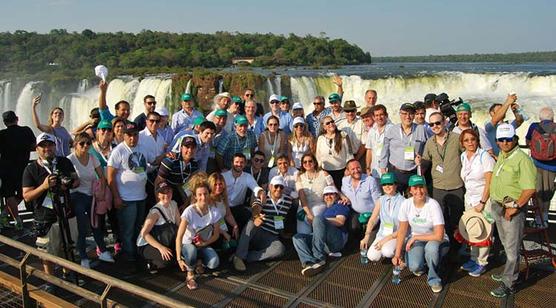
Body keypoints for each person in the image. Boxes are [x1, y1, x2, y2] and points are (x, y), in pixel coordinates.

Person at [488, 123, 536, 298]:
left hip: (511, 209)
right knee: (506, 243)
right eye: (501, 140)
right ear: (497, 141)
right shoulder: (503, 154)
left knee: (511, 248)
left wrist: (514, 207)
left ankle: (509, 284)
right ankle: (508, 273)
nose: (505, 142)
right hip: (498, 206)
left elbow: (530, 189)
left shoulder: (523, 159)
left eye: (508, 139)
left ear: (515, 139)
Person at [22, 133, 79, 278]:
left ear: (55, 146)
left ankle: (67, 274)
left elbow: (76, 180)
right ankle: (50, 280)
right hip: (45, 217)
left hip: (66, 212)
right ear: (37, 149)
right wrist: (44, 186)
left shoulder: (64, 162)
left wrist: (68, 184)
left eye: (50, 145)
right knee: (46, 252)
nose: (47, 148)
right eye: (43, 146)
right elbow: (27, 196)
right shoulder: (30, 169)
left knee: (69, 247)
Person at [392, 175, 450, 293]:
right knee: (414, 267)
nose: (419, 191)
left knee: (431, 249)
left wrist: (416, 237)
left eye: (421, 187)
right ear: (411, 190)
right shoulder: (406, 204)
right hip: (417, 240)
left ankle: (434, 278)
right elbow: (402, 230)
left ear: (425, 188)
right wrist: (397, 254)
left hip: (437, 240)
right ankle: (425, 261)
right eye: (415, 188)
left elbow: (438, 235)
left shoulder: (433, 204)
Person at [67, 132, 114, 268]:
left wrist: (102, 193)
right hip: (76, 196)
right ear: (75, 144)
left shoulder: (92, 158)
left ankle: (103, 251)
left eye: (88, 143)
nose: (85, 146)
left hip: (92, 196)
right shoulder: (70, 160)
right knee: (82, 225)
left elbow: (102, 177)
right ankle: (83, 257)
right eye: (82, 143)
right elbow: (71, 181)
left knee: (96, 224)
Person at [417, 112, 464, 246]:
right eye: (432, 124)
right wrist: (420, 161)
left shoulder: (457, 138)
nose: (435, 126)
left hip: (456, 185)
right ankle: (444, 249)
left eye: (438, 123)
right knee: (441, 220)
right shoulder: (429, 143)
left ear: (444, 122)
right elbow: (426, 161)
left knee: (457, 221)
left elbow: (468, 155)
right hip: (438, 187)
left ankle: (457, 249)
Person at [230, 176, 293, 272]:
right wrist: (256, 217)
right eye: (276, 186)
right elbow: (256, 207)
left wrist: (282, 233)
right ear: (270, 187)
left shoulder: (288, 201)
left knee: (279, 249)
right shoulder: (263, 197)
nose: (278, 189)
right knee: (251, 223)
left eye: (281, 187)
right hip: (259, 231)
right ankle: (239, 257)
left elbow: (280, 219)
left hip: (272, 236)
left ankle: (245, 257)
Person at [456, 129, 495, 277]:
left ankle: (482, 262)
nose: (470, 143)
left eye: (472, 139)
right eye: (466, 140)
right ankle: (473, 258)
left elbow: (489, 182)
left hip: (484, 199)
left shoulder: (484, 156)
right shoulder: (463, 156)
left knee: (484, 232)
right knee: (472, 229)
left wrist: (482, 201)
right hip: (470, 198)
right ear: (462, 143)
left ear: (477, 140)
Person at [107, 123, 149, 261]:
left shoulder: (143, 148)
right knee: (128, 230)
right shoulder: (118, 151)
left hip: (141, 196)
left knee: (138, 227)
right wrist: (116, 197)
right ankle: (129, 257)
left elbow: (150, 164)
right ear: (124, 135)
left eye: (135, 135)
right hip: (126, 198)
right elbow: (110, 177)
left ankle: (137, 253)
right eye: (129, 135)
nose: (132, 138)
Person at [292, 185, 349, 277]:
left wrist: (319, 220)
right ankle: (310, 262)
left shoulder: (340, 205)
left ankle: (319, 258)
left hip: (337, 240)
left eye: (331, 194)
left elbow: (340, 221)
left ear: (337, 196)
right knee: (297, 237)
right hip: (324, 242)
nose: (328, 197)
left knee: (318, 219)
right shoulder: (325, 209)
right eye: (326, 195)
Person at [176, 181, 222, 290]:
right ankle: (190, 273)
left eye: (205, 194)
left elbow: (216, 235)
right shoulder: (189, 212)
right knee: (191, 252)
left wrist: (204, 243)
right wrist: (178, 259)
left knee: (214, 263)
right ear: (195, 197)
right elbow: (179, 236)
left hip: (203, 244)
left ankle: (198, 261)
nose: (203, 197)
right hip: (188, 244)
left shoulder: (214, 212)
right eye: (200, 194)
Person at [88, 119, 122, 256]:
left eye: (109, 130)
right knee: (99, 219)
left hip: (113, 187)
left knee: (115, 217)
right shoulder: (90, 148)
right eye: (103, 129)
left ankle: (118, 243)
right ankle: (100, 245)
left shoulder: (116, 147)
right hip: (99, 191)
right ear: (97, 131)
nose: (106, 132)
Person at [379, 103, 427, 194]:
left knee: (414, 202)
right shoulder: (392, 130)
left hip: (413, 172)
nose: (408, 117)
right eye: (405, 114)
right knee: (395, 200)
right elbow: (385, 149)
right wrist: (383, 168)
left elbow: (427, 149)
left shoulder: (421, 129)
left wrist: (422, 160)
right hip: (395, 172)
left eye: (411, 114)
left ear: (414, 115)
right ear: (400, 114)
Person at [0, 111, 35, 229]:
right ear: (17, 118)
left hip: (5, 169)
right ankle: (6, 215)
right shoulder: (26, 130)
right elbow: (34, 145)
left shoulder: (2, 134)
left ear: (5, 122)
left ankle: (15, 219)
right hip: (23, 168)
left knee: (8, 194)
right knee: (22, 194)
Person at [360, 173, 405, 261]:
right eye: (384, 184)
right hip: (383, 233)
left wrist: (385, 240)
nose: (387, 186)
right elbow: (372, 219)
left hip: (397, 235)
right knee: (372, 256)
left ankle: (401, 253)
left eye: (390, 184)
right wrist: (366, 235)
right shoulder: (380, 200)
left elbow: (403, 228)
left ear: (395, 185)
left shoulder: (403, 202)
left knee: (387, 251)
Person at [137, 182, 180, 273]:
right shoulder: (155, 212)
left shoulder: (174, 204)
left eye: (168, 191)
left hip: (165, 240)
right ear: (158, 195)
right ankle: (148, 263)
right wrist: (161, 248)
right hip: (147, 244)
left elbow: (179, 224)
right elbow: (144, 233)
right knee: (168, 261)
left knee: (179, 256)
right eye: (163, 193)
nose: (166, 195)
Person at [525, 106, 555, 227]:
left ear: (540, 118)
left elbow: (527, 141)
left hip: (536, 164)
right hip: (553, 166)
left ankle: (538, 220)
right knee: (547, 192)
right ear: (552, 118)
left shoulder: (534, 126)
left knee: (537, 191)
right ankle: (546, 218)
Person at [222, 153, 266, 229]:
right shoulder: (223, 176)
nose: (239, 164)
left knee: (248, 218)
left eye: (242, 162)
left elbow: (255, 187)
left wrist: (261, 192)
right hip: (223, 207)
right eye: (236, 162)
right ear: (232, 163)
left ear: (245, 164)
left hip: (238, 208)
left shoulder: (247, 177)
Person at [295, 153, 336, 234]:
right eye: (305, 162)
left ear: (314, 162)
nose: (307, 163)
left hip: (319, 204)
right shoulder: (299, 177)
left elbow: (333, 188)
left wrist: (341, 197)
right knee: (303, 233)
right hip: (304, 207)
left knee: (316, 217)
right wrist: (308, 214)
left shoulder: (324, 174)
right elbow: (302, 197)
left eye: (310, 161)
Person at [155, 135, 199, 207]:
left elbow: (189, 186)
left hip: (180, 194)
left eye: (193, 148)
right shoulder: (170, 161)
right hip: (166, 194)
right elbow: (158, 182)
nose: (190, 150)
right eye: (187, 147)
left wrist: (185, 205)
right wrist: (159, 206)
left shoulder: (194, 165)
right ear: (181, 148)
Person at [341, 159, 381, 234]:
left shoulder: (370, 181)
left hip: (371, 214)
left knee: (369, 241)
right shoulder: (345, 181)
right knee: (353, 229)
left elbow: (378, 202)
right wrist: (344, 198)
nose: (356, 170)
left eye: (358, 167)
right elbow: (342, 194)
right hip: (355, 213)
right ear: (348, 171)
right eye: (353, 169)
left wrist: (375, 218)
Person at [316, 115, 354, 189]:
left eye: (332, 121)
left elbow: (349, 153)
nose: (331, 124)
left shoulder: (343, 135)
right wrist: (319, 170)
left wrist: (348, 169)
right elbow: (318, 155)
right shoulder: (320, 138)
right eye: (328, 123)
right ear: (324, 127)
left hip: (342, 171)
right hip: (326, 172)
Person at [207, 173, 240, 243]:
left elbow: (228, 214)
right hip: (212, 231)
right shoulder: (208, 200)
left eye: (220, 184)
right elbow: (209, 223)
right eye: (215, 184)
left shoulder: (223, 197)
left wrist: (235, 225)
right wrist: (224, 233)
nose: (218, 187)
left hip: (222, 226)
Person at [365, 104, 393, 180]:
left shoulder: (393, 130)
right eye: (376, 115)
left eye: (381, 115)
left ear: (386, 115)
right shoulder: (372, 131)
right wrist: (368, 167)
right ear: (373, 117)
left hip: (388, 170)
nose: (379, 118)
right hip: (374, 170)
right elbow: (369, 150)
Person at [337, 100, 367, 166]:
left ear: (356, 110)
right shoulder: (340, 125)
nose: (350, 113)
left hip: (360, 156)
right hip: (345, 158)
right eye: (347, 111)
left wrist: (356, 159)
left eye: (352, 110)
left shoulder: (362, 123)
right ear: (344, 112)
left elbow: (364, 144)